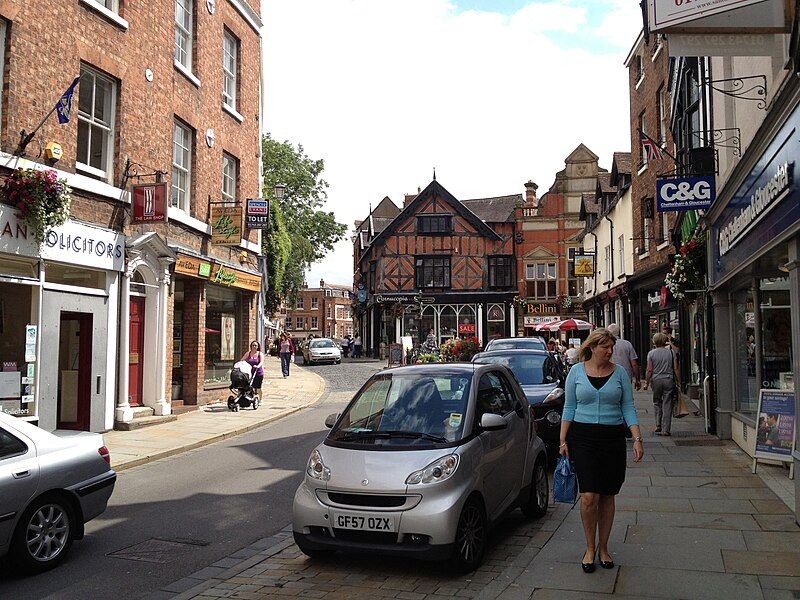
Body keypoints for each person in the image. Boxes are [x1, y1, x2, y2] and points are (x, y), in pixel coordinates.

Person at [559, 328, 643, 573]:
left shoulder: (619, 374)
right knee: (588, 496)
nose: (610, 352)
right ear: (593, 347)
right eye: (605, 347)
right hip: (582, 438)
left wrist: (637, 438)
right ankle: (590, 548)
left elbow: (628, 406)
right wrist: (562, 440)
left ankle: (604, 547)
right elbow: (569, 407)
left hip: (612, 438)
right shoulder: (575, 372)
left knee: (607, 495)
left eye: (611, 347)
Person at [643, 333, 680, 436]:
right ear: (665, 341)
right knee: (667, 404)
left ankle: (658, 424)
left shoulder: (651, 353)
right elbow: (676, 368)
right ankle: (666, 429)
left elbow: (649, 370)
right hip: (668, 380)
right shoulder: (671, 353)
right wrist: (678, 380)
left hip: (656, 380)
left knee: (657, 402)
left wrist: (646, 382)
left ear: (654, 341)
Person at [607, 324, 641, 390]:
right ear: (619, 332)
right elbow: (634, 364)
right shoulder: (627, 344)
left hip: (610, 375)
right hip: (626, 376)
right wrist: (637, 379)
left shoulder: (605, 345)